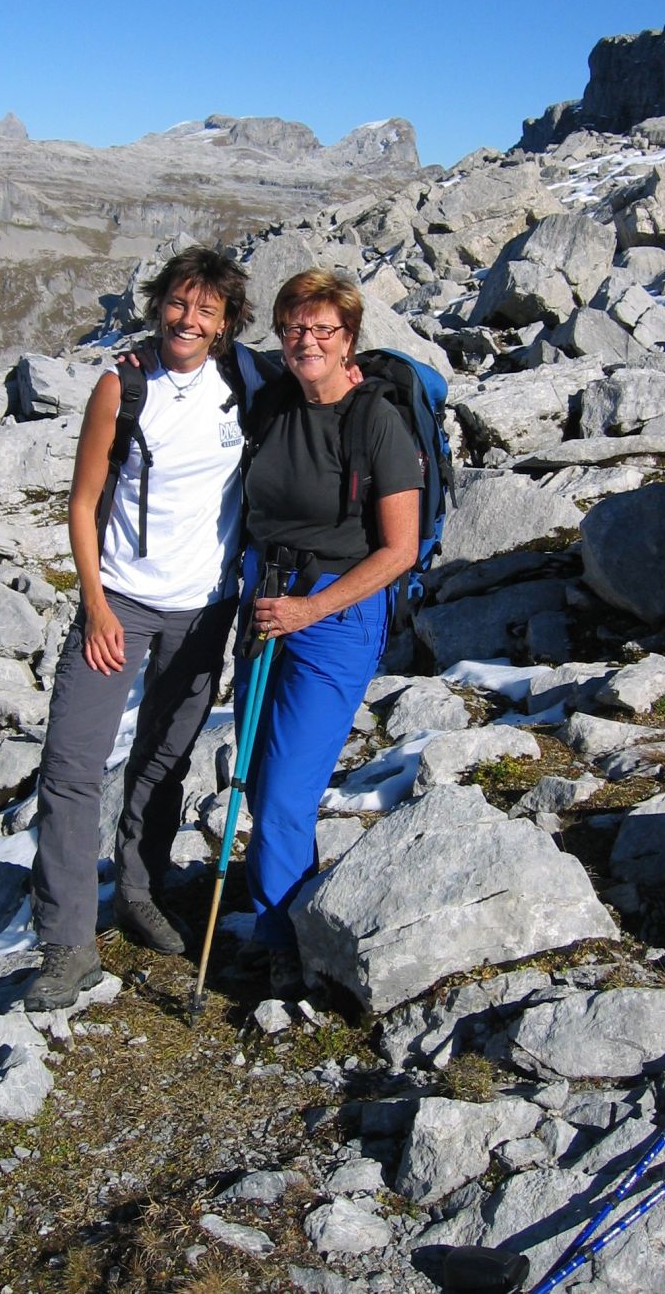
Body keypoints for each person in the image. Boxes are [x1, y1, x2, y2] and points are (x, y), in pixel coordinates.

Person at [24, 248, 253, 1010]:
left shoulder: (243, 384)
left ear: (225, 323)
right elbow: (83, 501)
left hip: (204, 608)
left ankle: (139, 891)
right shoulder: (120, 386)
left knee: (164, 758)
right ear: (158, 306)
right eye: (178, 304)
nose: (188, 320)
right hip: (118, 602)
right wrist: (93, 604)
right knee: (70, 766)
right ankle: (66, 944)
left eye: (205, 310)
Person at [236, 269, 422, 998]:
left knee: (286, 789)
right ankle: (286, 907)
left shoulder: (376, 420)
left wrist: (310, 611)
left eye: (322, 329)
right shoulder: (272, 399)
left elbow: (399, 550)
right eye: (293, 327)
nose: (305, 341)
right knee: (258, 774)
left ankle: (283, 942)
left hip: (334, 614)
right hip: (265, 600)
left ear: (350, 339)